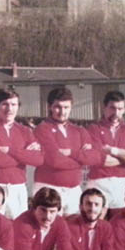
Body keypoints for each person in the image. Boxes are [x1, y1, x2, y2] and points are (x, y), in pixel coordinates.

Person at [0, 89, 44, 218]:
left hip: (17, 187)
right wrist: (24, 155)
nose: (9, 109)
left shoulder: (25, 131)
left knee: (18, 228)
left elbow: (38, 159)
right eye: (5, 104)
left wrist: (9, 150)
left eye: (14, 105)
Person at [33, 87, 99, 215]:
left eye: (66, 107)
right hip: (49, 187)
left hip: (74, 189)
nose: (62, 112)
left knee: (74, 229)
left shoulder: (79, 131)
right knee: (50, 230)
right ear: (49, 107)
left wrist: (70, 153)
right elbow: (54, 160)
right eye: (58, 107)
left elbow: (95, 158)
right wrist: (81, 159)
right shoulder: (42, 129)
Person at [86, 91, 125, 214]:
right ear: (104, 107)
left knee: (119, 225)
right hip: (98, 181)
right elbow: (99, 158)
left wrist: (113, 151)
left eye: (120, 108)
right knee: (97, 225)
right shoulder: (93, 129)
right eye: (112, 108)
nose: (116, 113)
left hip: (121, 182)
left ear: (124, 109)